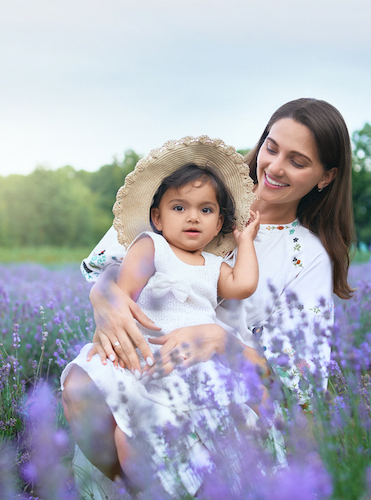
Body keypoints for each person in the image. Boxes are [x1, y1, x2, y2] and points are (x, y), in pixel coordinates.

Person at [62, 98, 356, 496]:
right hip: (146, 355)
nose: (274, 167)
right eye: (272, 147)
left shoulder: (307, 258)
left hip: (222, 389)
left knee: (147, 445)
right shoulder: (202, 189)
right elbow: (114, 260)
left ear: (326, 177)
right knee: (81, 391)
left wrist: (220, 340)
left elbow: (299, 384)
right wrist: (105, 297)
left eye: (298, 161)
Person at [62, 136, 262, 495]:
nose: (192, 218)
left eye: (205, 210)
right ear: (157, 216)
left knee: (180, 436)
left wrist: (245, 241)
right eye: (179, 207)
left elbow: (244, 285)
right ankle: (134, 487)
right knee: (129, 435)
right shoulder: (150, 245)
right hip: (146, 352)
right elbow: (124, 296)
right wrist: (111, 334)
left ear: (218, 225)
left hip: (193, 362)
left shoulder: (214, 265)